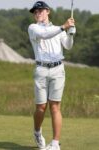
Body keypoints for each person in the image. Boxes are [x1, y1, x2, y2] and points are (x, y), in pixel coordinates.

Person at [28, 1, 76, 150]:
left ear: (47, 11)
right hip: (41, 70)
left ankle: (55, 144)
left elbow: (68, 46)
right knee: (41, 107)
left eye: (40, 11)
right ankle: (37, 132)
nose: (37, 14)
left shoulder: (58, 29)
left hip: (57, 69)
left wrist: (71, 33)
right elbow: (45, 34)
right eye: (35, 12)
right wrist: (63, 27)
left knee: (55, 106)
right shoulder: (33, 28)